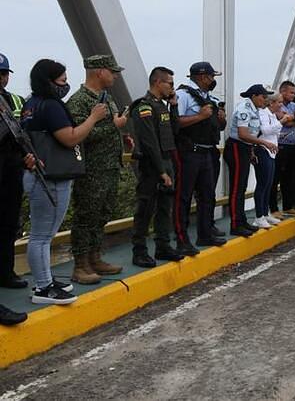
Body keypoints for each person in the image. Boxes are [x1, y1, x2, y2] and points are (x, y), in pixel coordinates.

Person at [21, 59, 107, 304]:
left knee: (42, 234)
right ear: (49, 81)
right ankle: (43, 287)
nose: (65, 85)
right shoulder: (51, 106)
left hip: (38, 175)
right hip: (51, 178)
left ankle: (46, 279)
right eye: (62, 81)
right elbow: (69, 138)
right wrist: (93, 118)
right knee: (42, 236)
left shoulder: (31, 104)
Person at [64, 55, 127, 285]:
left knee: (103, 214)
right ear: (100, 71)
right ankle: (80, 265)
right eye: (112, 71)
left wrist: (121, 136)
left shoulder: (106, 98)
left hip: (110, 167)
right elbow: (80, 136)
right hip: (91, 170)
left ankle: (95, 257)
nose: (116, 75)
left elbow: (108, 130)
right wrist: (113, 125)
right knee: (86, 216)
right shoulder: (79, 101)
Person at [129, 67, 185, 267]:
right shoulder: (144, 107)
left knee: (164, 207)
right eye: (169, 83)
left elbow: (175, 131)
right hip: (152, 164)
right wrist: (161, 171)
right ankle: (139, 250)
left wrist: (174, 106)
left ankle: (163, 246)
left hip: (167, 160)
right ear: (158, 83)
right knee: (145, 208)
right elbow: (149, 142)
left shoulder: (162, 106)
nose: (172, 86)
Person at [174, 62, 228, 253]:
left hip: (207, 152)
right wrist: (200, 116)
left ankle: (205, 235)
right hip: (190, 153)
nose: (213, 80)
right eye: (212, 77)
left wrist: (220, 119)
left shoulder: (209, 98)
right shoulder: (183, 95)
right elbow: (176, 122)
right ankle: (182, 240)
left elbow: (217, 127)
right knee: (184, 197)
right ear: (203, 77)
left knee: (207, 195)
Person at [224, 84, 275, 237]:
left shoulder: (255, 110)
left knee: (242, 187)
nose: (265, 99)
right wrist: (264, 142)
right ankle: (235, 224)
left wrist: (252, 149)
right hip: (236, 147)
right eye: (263, 96)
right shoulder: (244, 109)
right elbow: (243, 134)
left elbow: (251, 134)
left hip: (245, 148)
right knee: (237, 188)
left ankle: (242, 221)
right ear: (253, 96)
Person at [0, 53, 32, 290]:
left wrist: (28, 156)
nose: (1, 79)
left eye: (3, 74)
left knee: (10, 223)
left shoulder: (17, 101)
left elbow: (26, 134)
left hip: (13, 170)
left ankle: (6, 273)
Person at [270, 80, 295, 220]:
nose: (293, 95)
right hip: (280, 146)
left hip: (292, 146)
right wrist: (292, 119)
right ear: (283, 91)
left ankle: (288, 206)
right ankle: (273, 208)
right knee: (275, 178)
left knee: (289, 178)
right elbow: (282, 119)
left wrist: (292, 118)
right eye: (291, 92)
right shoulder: (276, 104)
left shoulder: (294, 105)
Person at [254, 92, 283, 228]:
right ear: (271, 103)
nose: (281, 105)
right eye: (279, 102)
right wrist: (281, 122)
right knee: (262, 183)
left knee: (269, 184)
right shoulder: (263, 113)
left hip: (272, 152)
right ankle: (259, 215)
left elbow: (275, 132)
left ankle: (265, 213)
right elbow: (265, 130)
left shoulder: (272, 115)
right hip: (263, 150)